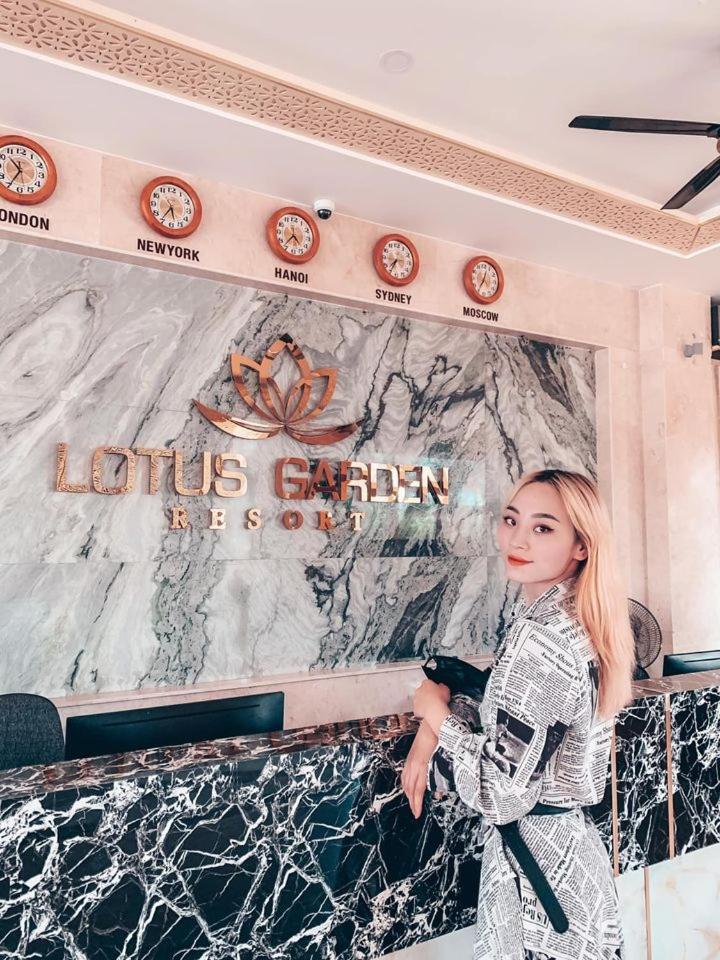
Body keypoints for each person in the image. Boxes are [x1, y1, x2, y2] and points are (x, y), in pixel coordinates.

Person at [402, 469, 635, 960]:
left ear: (582, 546)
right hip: (572, 867)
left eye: (543, 527)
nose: (518, 538)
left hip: (539, 888)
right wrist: (435, 728)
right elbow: (514, 719)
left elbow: (500, 793)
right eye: (511, 520)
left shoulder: (542, 639)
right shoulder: (576, 621)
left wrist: (435, 716)